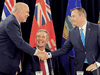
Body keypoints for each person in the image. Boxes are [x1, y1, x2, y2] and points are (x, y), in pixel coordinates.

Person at [43, 7, 100, 75]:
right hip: (79, 69)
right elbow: (64, 49)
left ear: (82, 15)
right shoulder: (72, 32)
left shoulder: (96, 28)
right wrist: (49, 55)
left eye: (73, 16)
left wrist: (97, 63)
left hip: (96, 68)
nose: (71, 19)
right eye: (71, 16)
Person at [0, 2, 47, 75]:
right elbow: (20, 43)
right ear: (18, 12)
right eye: (27, 12)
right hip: (4, 66)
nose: (28, 15)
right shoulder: (12, 22)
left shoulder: (12, 21)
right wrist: (38, 53)